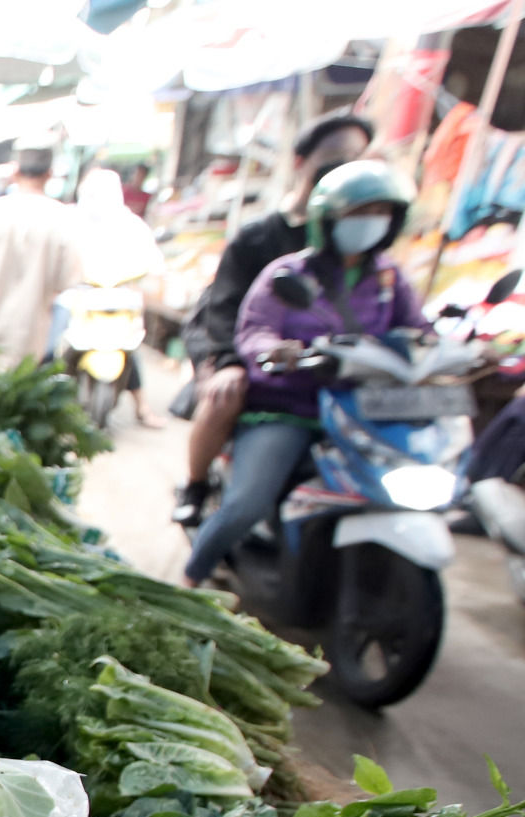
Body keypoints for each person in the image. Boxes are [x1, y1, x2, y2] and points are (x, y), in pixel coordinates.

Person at [181, 161, 427, 588]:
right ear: (327, 219)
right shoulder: (288, 275)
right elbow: (254, 329)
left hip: (358, 410)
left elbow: (417, 329)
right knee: (248, 503)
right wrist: (274, 352)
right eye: (357, 213)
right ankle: (188, 578)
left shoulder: (390, 279)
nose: (369, 223)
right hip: (288, 407)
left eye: (381, 213)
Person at [174, 113, 375, 525]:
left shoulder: (358, 246)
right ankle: (195, 486)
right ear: (302, 161)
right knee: (226, 394)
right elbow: (224, 306)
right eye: (334, 156)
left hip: (319, 363)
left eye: (355, 157)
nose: (344, 166)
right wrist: (229, 361)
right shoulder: (259, 238)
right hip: (242, 348)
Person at [0, 146, 84, 364]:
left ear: (15, 172)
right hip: (26, 344)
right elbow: (68, 280)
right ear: (49, 174)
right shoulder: (63, 220)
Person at [69, 167, 167, 425]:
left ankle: (143, 407)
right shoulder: (71, 220)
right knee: (55, 341)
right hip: (80, 294)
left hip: (119, 297)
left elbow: (154, 263)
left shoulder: (132, 225)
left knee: (131, 346)